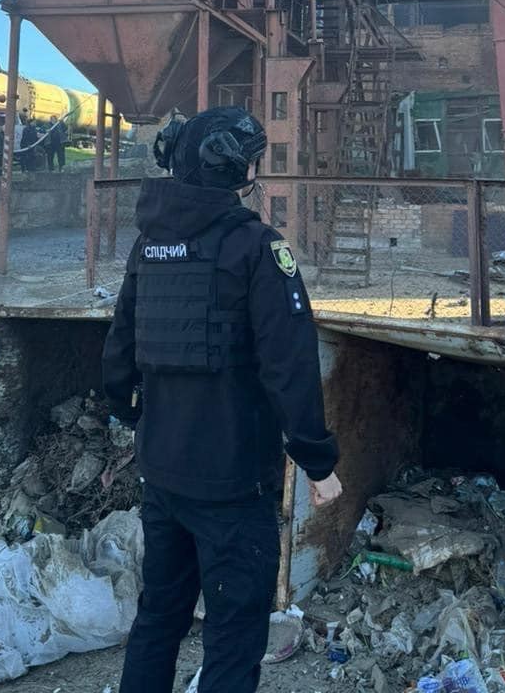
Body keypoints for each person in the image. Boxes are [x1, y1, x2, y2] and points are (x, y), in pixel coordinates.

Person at [102, 107, 341, 693]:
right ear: (236, 168)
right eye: (253, 161)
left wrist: (134, 415)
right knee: (234, 636)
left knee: (159, 615)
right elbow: (289, 366)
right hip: (234, 484)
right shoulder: (257, 247)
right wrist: (318, 462)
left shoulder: (148, 245)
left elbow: (119, 350)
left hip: (162, 472)